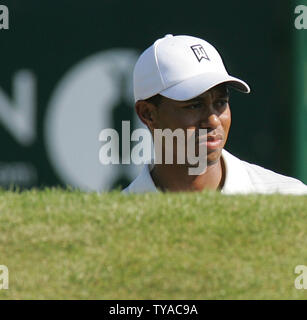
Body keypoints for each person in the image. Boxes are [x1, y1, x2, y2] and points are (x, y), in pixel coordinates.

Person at [123, 34, 307, 195]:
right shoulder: (114, 224)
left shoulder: (291, 197)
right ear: (147, 114)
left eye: (220, 103)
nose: (213, 120)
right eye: (194, 105)